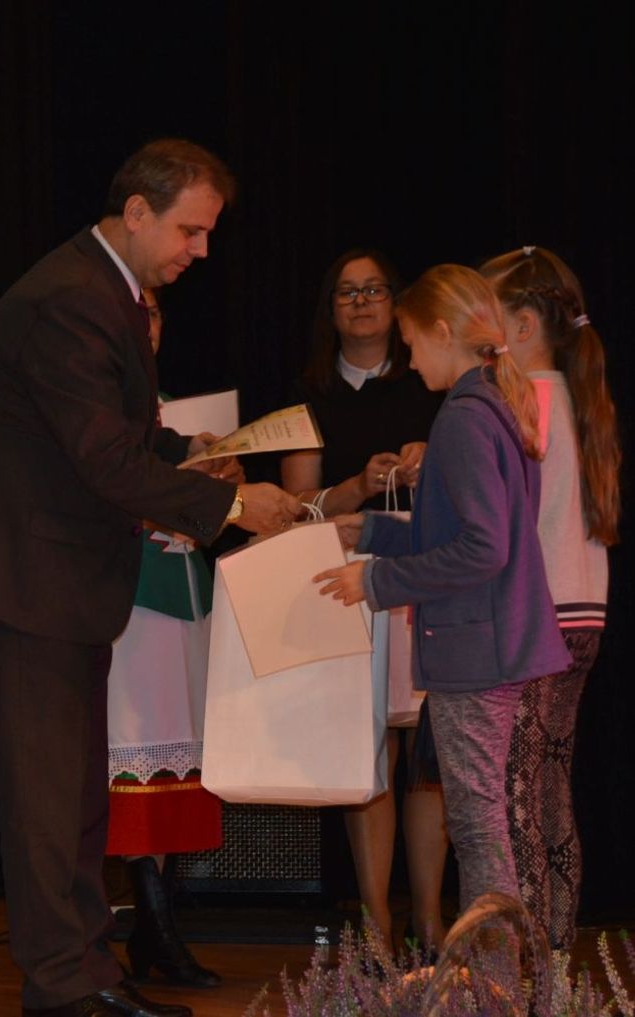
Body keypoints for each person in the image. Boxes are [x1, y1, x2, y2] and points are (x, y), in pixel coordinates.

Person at [0, 138, 300, 1017]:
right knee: (47, 798)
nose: (200, 250)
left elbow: (114, 433)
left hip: (59, 580)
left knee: (73, 796)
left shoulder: (106, 291)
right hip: (26, 578)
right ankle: (64, 983)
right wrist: (233, 504)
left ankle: (88, 971)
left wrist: (189, 451)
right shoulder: (72, 299)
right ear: (136, 211)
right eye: (189, 230)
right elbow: (101, 457)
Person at [314, 264, 570, 918]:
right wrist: (371, 530)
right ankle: (503, 963)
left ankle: (495, 970)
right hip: (495, 643)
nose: (408, 358)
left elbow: (484, 548)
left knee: (478, 829)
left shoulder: (464, 416)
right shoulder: (494, 403)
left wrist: (375, 579)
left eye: (410, 342)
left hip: (477, 652)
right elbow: (461, 531)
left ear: (440, 331)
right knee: (484, 823)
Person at [281, 248, 448, 951]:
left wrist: (429, 461)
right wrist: (357, 485)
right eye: (347, 292)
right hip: (346, 582)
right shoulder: (308, 396)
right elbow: (294, 508)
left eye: (374, 289)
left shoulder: (432, 383)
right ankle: (375, 921)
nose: (361, 302)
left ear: (396, 303)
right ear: (330, 309)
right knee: (369, 748)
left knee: (428, 752)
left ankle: (430, 918)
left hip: (424, 575)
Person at [482, 245, 618, 950]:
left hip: (540, 618)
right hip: (582, 611)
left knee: (518, 795)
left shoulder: (522, 402)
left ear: (524, 325)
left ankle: (531, 958)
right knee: (549, 786)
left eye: (487, 317)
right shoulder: (574, 396)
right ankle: (555, 956)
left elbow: (501, 523)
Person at [104, 287, 221, 990]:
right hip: (134, 601)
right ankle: (153, 924)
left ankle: (157, 926)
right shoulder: (103, 411)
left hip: (186, 599)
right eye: (131, 311)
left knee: (181, 761)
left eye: (151, 313)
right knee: (137, 755)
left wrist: (222, 481)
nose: (142, 324)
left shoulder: (179, 414)